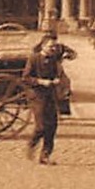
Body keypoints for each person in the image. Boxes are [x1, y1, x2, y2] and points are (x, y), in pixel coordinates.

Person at [23, 33, 68, 164]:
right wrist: (41, 82)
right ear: (43, 46)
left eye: (54, 47)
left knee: (52, 126)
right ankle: (31, 145)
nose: (53, 49)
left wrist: (57, 80)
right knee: (41, 126)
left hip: (50, 95)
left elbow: (59, 73)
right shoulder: (34, 59)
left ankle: (45, 155)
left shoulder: (54, 60)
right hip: (37, 96)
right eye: (50, 46)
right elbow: (25, 77)